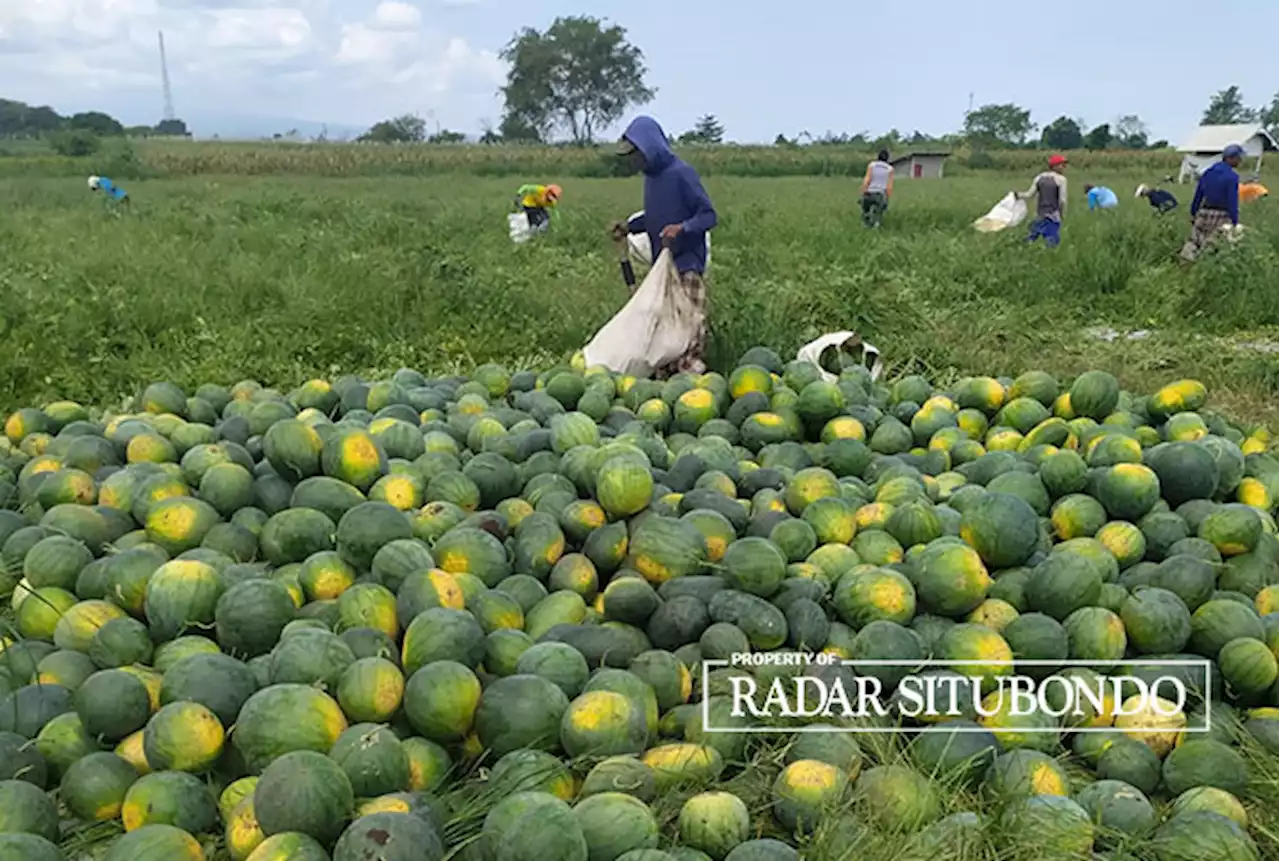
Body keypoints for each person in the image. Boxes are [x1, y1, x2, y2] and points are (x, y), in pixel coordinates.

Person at [610, 116, 717, 376]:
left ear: (651, 146)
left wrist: (682, 228)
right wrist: (629, 227)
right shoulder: (651, 179)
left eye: (637, 155)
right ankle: (666, 380)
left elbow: (708, 215)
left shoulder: (681, 173)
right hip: (662, 267)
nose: (635, 162)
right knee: (665, 332)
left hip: (687, 264)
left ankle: (691, 382)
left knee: (689, 328)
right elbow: (655, 217)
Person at [1181, 144, 1243, 262]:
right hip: (1221, 214)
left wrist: (1193, 212)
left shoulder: (1208, 173)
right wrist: (1234, 220)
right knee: (1214, 245)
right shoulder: (1232, 176)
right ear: (1230, 158)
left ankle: (1185, 263)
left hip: (1204, 212)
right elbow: (1232, 200)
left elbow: (1198, 195)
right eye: (1238, 158)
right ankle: (1207, 266)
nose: (1240, 161)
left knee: (1195, 241)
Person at [1015, 154, 1068, 247]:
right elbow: (1062, 200)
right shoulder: (1061, 179)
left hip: (1040, 214)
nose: (1064, 167)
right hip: (1053, 215)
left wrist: (1018, 195)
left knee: (1032, 236)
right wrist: (1062, 214)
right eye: (1061, 165)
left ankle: (1018, 247)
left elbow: (1029, 194)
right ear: (1054, 166)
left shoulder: (1039, 177)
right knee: (1052, 240)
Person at [860, 150, 894, 227]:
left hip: (869, 192)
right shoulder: (890, 169)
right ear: (887, 159)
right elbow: (889, 186)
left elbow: (867, 179)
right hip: (880, 194)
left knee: (866, 211)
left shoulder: (872, 165)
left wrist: (863, 190)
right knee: (878, 212)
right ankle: (876, 224)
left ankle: (866, 224)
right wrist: (887, 198)